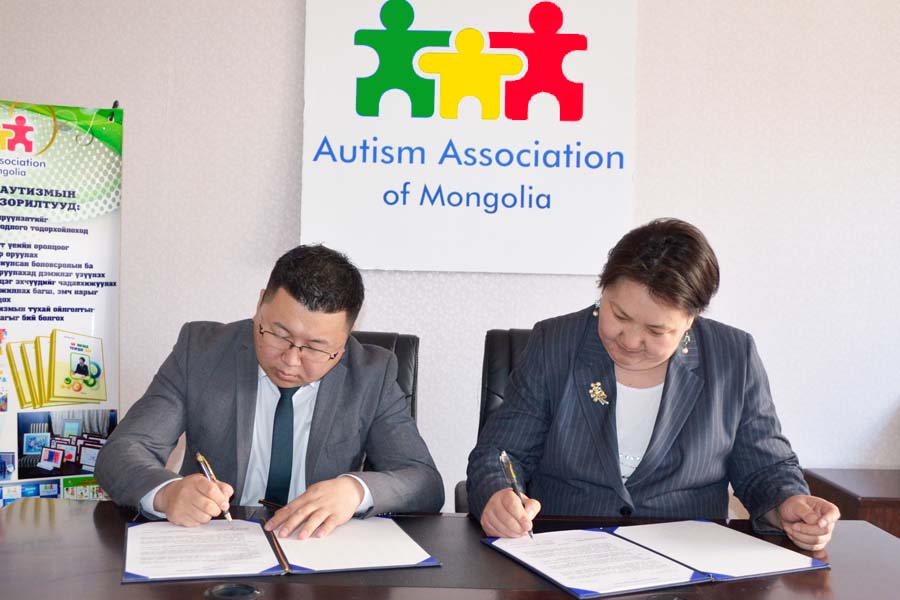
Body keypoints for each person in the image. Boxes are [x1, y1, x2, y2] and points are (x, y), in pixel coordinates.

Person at [466, 218, 839, 551]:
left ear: (691, 319)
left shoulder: (732, 356)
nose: (630, 341)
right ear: (602, 291)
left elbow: (765, 466)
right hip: (565, 550)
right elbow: (501, 452)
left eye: (656, 330)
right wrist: (497, 495)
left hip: (688, 560)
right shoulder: (555, 343)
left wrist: (788, 503)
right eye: (619, 315)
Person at [96, 244, 443, 539]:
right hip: (218, 545)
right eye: (278, 334)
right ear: (261, 303)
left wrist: (355, 490)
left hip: (320, 550)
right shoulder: (200, 351)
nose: (290, 361)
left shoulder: (372, 374)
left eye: (316, 348)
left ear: (344, 340)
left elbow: (423, 481)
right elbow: (123, 451)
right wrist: (168, 493)